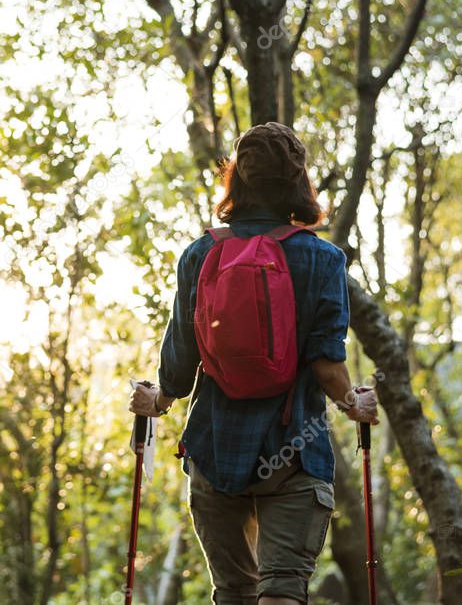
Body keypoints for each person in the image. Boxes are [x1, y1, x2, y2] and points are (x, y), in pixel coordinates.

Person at [130, 122, 379, 605]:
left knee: (233, 593)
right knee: (282, 591)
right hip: (295, 450)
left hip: (214, 450)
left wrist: (155, 400)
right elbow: (329, 368)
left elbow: (179, 366)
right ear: (297, 182)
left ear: (236, 180)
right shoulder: (324, 259)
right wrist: (355, 402)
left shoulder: (201, 253)